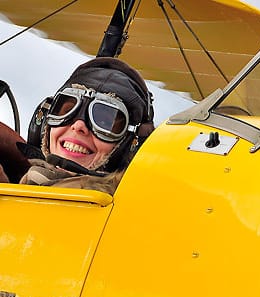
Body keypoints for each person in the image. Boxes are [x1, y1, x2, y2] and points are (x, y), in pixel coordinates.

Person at [10, 56, 155, 194]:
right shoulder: (28, 179)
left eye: (103, 122)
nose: (78, 124)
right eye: (67, 111)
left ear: (130, 146)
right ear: (44, 125)